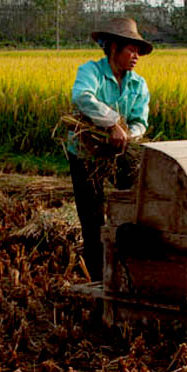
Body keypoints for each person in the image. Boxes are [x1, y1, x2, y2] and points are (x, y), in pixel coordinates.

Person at [66, 17, 152, 282]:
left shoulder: (138, 85)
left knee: (129, 209)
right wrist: (113, 122)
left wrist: (128, 135)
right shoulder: (90, 72)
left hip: (120, 154)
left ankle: (126, 271)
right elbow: (82, 97)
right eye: (131, 49)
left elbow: (140, 122)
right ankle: (99, 279)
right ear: (113, 48)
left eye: (138, 51)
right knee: (93, 219)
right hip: (86, 153)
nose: (136, 55)